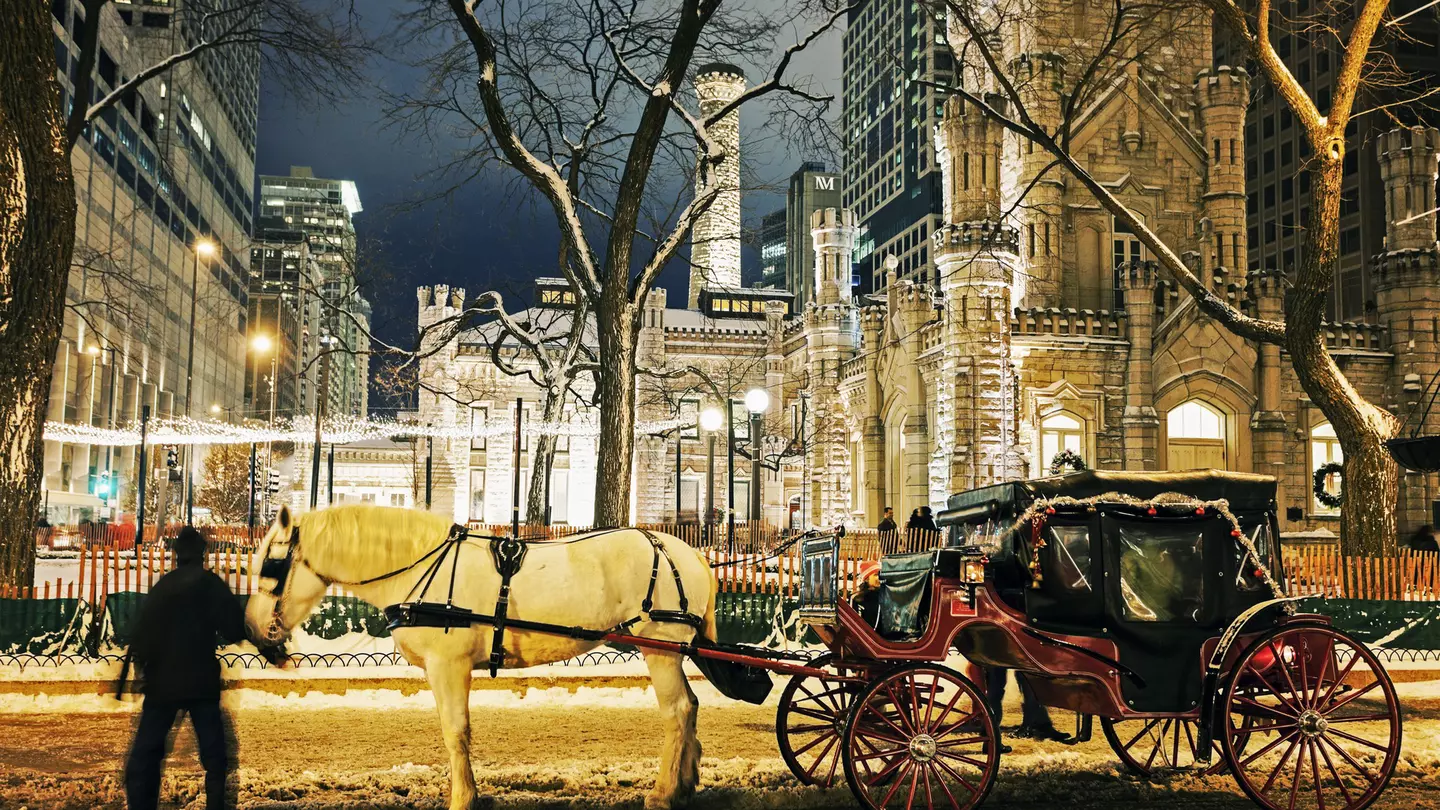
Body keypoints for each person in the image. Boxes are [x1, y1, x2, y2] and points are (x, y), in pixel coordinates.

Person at [125, 526, 246, 810]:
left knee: (147, 755)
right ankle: (216, 804)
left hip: (162, 685)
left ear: (176, 554)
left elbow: (142, 635)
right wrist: (269, 648)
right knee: (215, 756)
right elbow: (234, 627)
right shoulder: (211, 584)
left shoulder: (163, 587)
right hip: (201, 683)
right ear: (202, 554)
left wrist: (142, 673)